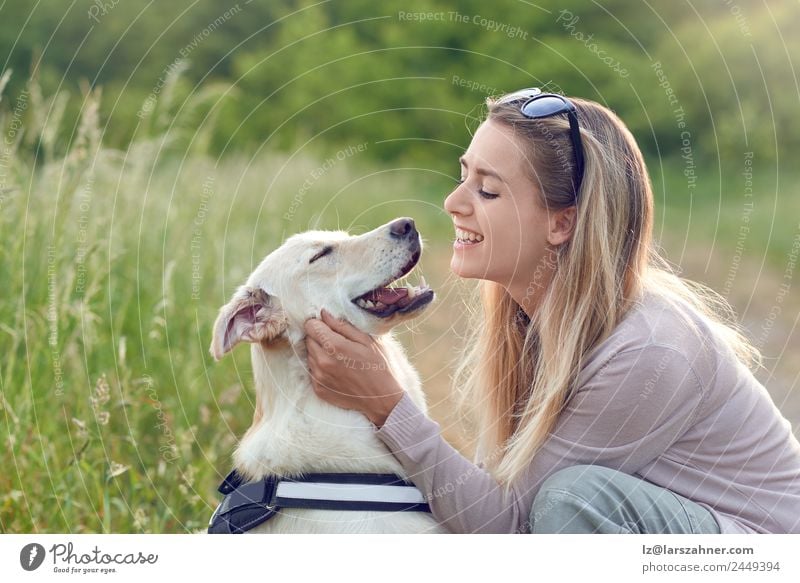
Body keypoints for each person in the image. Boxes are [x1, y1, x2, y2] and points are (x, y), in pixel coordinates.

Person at [302, 88, 800, 534]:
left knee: (570, 498)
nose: (454, 202)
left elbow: (512, 527)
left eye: (488, 190)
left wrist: (386, 405)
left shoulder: (648, 350)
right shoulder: (532, 322)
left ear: (562, 224)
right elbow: (488, 501)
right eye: (463, 176)